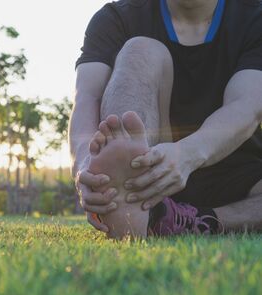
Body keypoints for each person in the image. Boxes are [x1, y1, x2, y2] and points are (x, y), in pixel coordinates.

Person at [69, 0, 262, 238]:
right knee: (140, 50)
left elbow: (246, 106)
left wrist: (186, 155)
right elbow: (87, 97)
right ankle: (130, 197)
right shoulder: (116, 18)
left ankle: (184, 220)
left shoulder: (255, 16)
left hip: (238, 174)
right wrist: (85, 168)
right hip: (149, 172)